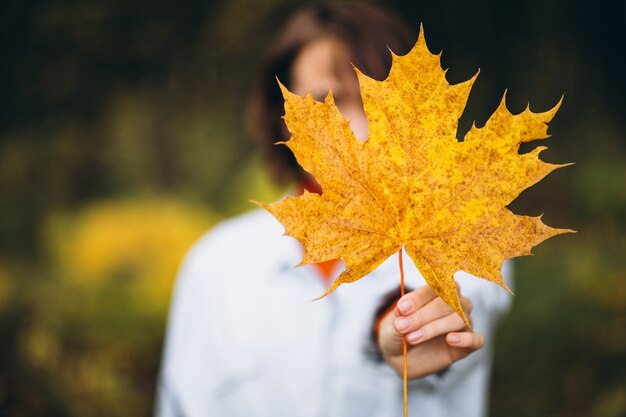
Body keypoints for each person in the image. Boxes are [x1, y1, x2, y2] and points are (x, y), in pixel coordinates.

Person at [155, 4, 513, 417]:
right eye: (329, 103)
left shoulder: (469, 238)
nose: (358, 129)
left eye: (378, 103)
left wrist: (392, 330)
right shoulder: (217, 264)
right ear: (283, 121)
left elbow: (459, 302)